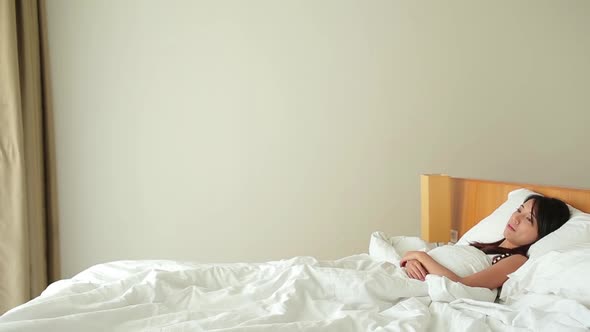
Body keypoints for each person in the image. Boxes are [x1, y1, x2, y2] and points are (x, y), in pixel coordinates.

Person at [399, 195, 571, 289]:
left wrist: (420, 256)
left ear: (542, 234)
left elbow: (462, 285)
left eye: (528, 219)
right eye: (519, 209)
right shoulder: (485, 247)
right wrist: (412, 262)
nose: (516, 218)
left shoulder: (516, 261)